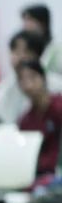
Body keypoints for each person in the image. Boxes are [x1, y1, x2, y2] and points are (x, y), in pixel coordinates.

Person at [0, 31, 62, 125]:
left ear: (38, 55)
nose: (21, 57)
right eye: (16, 52)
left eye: (26, 52)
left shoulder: (57, 85)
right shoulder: (2, 91)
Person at [16, 60, 62, 188]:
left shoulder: (59, 108)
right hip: (37, 175)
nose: (28, 84)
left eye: (32, 77)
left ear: (43, 78)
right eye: (22, 80)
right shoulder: (25, 120)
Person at [21, 4, 62, 77]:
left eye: (29, 20)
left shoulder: (57, 47)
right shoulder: (26, 50)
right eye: (24, 21)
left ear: (42, 23)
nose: (25, 25)